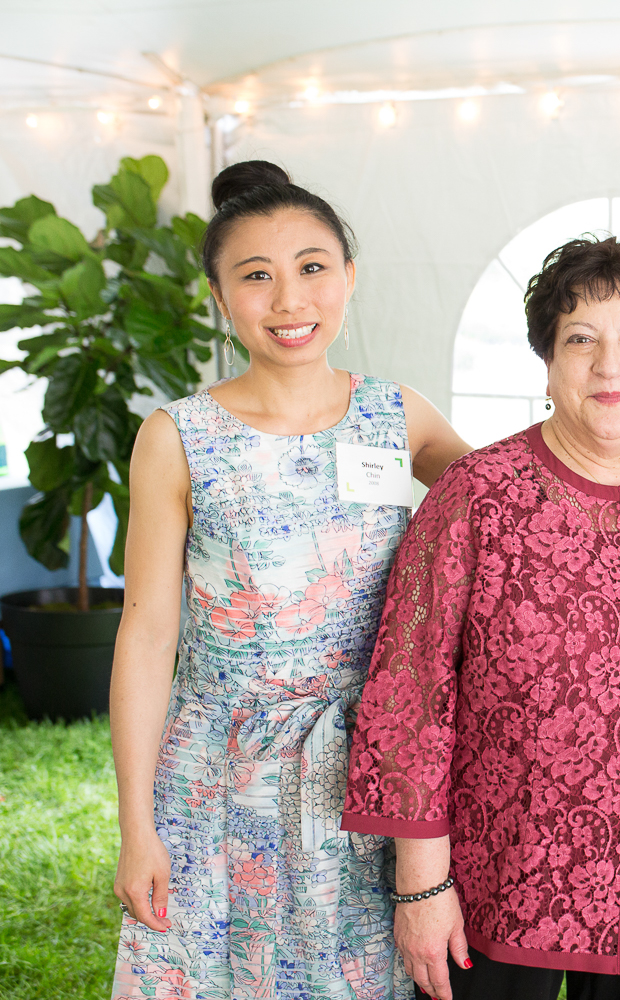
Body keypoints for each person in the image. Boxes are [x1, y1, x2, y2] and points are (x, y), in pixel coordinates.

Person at [340, 235, 620, 1000]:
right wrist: (421, 885)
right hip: (505, 875)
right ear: (547, 361)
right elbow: (409, 691)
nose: (610, 365)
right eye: (580, 339)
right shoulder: (478, 496)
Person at [110, 161, 472, 998]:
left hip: (368, 768)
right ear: (218, 296)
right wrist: (137, 826)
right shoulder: (177, 435)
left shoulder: (398, 414)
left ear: (349, 277)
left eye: (312, 268)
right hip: (218, 774)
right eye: (256, 276)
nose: (289, 301)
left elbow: (522, 502)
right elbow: (147, 633)